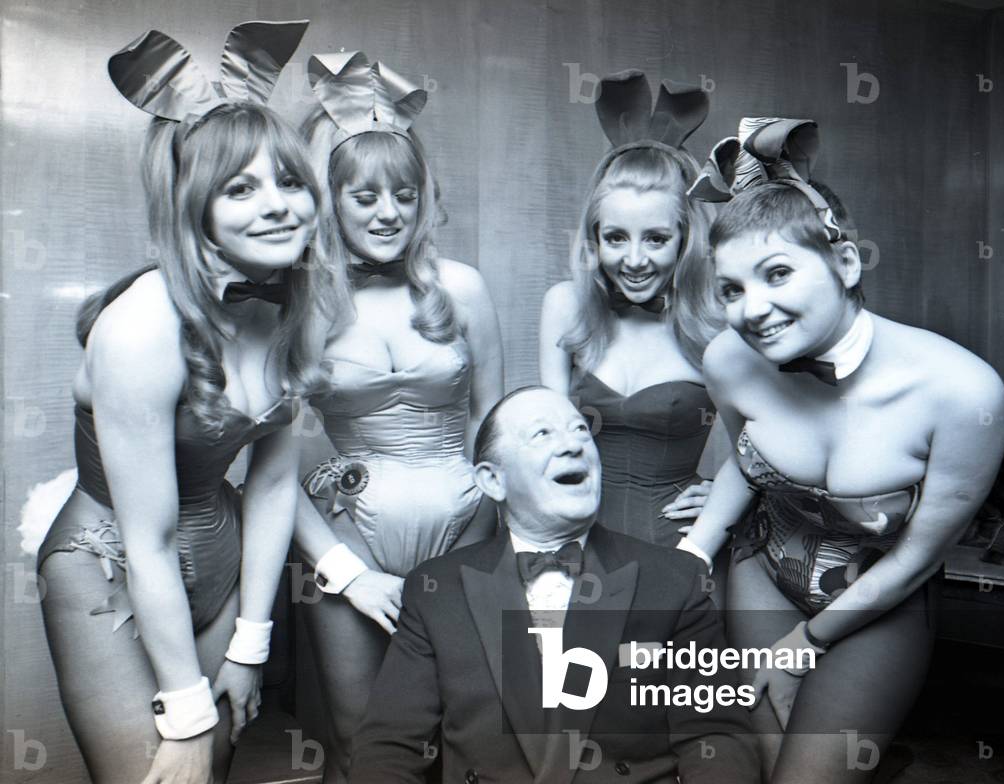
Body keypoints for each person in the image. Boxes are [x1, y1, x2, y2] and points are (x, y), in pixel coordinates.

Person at [36, 22, 324, 784]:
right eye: (240, 188)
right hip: (111, 566)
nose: (279, 207)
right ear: (193, 207)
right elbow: (149, 540)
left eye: (290, 182)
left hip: (226, 562)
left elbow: (269, 484)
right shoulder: (139, 331)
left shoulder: (297, 309)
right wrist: (187, 710)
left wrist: (250, 643)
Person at [683, 118, 1004, 782]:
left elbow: (919, 558)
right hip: (762, 571)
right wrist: (695, 546)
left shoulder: (961, 392)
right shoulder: (727, 358)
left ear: (846, 262)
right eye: (732, 289)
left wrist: (803, 645)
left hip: (881, 599)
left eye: (777, 273)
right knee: (766, 769)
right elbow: (742, 464)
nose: (753, 309)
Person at [350, 386, 760, 784]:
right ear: (493, 480)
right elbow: (390, 748)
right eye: (542, 433)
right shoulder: (436, 588)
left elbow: (715, 736)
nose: (573, 445)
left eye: (580, 430)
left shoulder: (674, 579)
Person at [292, 51, 504, 782]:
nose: (389, 213)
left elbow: (494, 431)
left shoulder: (463, 290)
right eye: (365, 196)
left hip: (468, 536)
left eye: (405, 195)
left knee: (465, 740)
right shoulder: (303, 310)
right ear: (329, 200)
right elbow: (267, 472)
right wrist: (346, 573)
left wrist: (489, 548)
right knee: (363, 744)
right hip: (350, 548)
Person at [539, 70, 724, 552]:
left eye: (657, 239)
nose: (635, 260)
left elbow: (776, 439)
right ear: (594, 237)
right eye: (616, 237)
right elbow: (544, 444)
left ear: (686, 239)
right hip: (574, 542)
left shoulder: (718, 324)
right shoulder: (565, 306)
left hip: (681, 549)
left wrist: (729, 496)